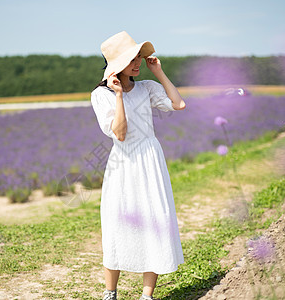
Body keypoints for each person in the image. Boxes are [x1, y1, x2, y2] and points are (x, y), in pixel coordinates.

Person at [90, 31, 186, 300]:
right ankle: (111, 293)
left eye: (139, 57)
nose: (138, 63)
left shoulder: (146, 88)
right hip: (123, 162)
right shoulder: (101, 95)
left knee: (155, 219)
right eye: (132, 58)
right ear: (116, 64)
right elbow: (119, 134)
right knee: (116, 223)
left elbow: (179, 104)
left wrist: (159, 73)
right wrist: (119, 96)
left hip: (150, 159)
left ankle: (147, 296)